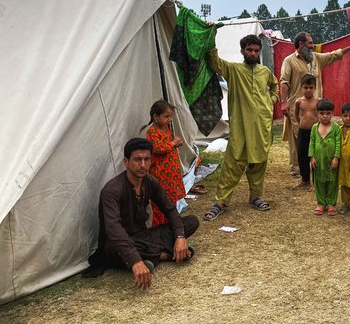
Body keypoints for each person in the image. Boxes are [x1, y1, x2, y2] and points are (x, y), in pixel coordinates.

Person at [83, 138, 199, 289]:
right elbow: (113, 229)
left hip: (144, 238)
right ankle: (164, 255)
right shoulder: (111, 190)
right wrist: (136, 261)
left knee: (191, 222)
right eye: (137, 160)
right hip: (119, 244)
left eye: (147, 159)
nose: (143, 165)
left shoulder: (150, 181)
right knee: (111, 250)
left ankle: (153, 257)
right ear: (126, 162)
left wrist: (180, 237)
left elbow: (170, 209)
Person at [203, 34, 279, 220]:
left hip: (261, 126)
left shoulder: (265, 72)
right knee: (233, 162)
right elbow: (215, 63)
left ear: (259, 52)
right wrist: (211, 37)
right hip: (240, 126)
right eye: (249, 50)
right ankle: (220, 201)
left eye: (256, 50)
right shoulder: (234, 69)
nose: (253, 53)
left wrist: (272, 101)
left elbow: (274, 86)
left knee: (259, 162)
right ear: (242, 51)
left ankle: (256, 197)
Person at [280, 31, 350, 177]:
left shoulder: (316, 58)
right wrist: (284, 103)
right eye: (310, 43)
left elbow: (333, 55)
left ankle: (315, 164)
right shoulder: (289, 61)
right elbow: (284, 82)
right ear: (301, 45)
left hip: (317, 107)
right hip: (297, 107)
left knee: (317, 135)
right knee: (298, 137)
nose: (313, 46)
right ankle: (297, 167)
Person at [141, 100, 186, 226]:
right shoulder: (152, 132)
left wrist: (176, 143)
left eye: (170, 116)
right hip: (161, 174)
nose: (169, 119)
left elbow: (168, 145)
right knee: (160, 203)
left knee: (171, 202)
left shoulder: (165, 128)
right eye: (166, 116)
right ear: (155, 116)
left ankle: (171, 225)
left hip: (171, 174)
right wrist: (173, 143)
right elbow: (157, 148)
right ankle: (160, 229)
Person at [309, 99, 342, 216]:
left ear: (332, 114)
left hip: (331, 161)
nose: (325, 116)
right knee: (319, 181)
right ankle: (321, 203)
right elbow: (312, 142)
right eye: (322, 113)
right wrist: (312, 157)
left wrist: (336, 157)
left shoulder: (336, 128)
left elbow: (338, 143)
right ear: (317, 114)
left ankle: (331, 204)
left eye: (328, 113)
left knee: (332, 181)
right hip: (318, 161)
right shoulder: (314, 127)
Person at [294, 74, 320, 190]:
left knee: (316, 156)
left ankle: (316, 181)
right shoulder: (299, 102)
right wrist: (301, 123)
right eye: (305, 87)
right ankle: (305, 180)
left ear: (315, 87)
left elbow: (322, 114)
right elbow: (296, 115)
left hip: (315, 132)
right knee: (302, 155)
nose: (308, 90)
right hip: (303, 131)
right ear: (301, 88)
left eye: (311, 87)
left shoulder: (318, 101)